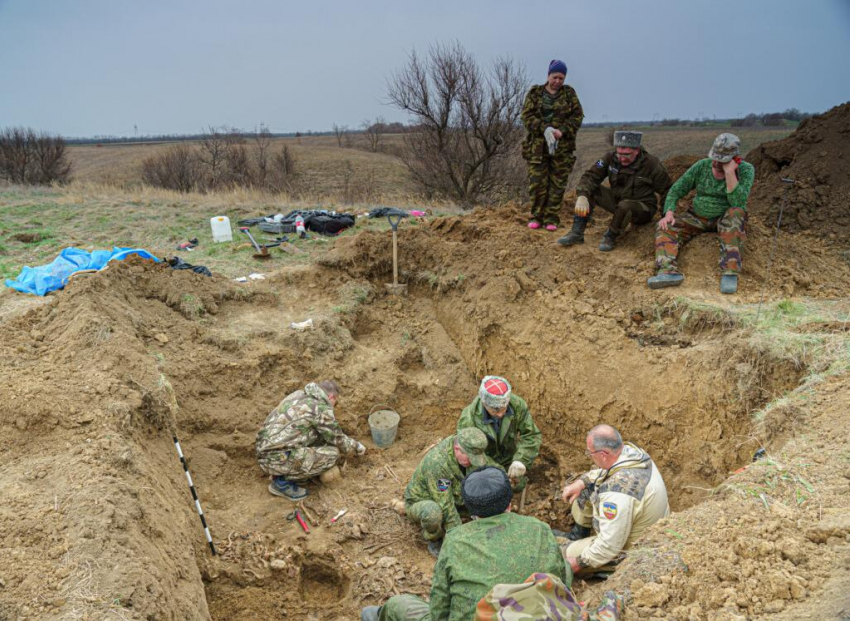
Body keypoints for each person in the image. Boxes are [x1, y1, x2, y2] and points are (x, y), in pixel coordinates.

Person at [362, 466, 569, 621]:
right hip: (540, 613)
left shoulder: (455, 541)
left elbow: (439, 608)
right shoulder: (539, 528)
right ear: (509, 503)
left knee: (399, 605)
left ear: (471, 511)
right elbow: (560, 581)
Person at [647, 133, 755, 294]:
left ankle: (730, 272)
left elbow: (738, 202)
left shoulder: (746, 170)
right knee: (665, 226)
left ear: (734, 158)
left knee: (736, 213)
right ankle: (667, 271)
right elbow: (676, 190)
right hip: (697, 217)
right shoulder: (702, 166)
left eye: (723, 160)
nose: (717, 162)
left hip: (726, 218)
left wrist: (730, 173)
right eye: (715, 157)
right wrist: (669, 212)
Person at [559, 425, 669, 575]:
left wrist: (578, 563)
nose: (589, 456)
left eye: (590, 453)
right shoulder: (634, 454)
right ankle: (577, 536)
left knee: (561, 554)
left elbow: (609, 546)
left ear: (603, 454)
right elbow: (608, 470)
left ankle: (595, 562)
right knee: (586, 489)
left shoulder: (617, 496)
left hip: (632, 551)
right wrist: (581, 482)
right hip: (647, 525)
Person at [558, 131, 671, 252]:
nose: (622, 158)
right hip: (618, 201)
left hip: (643, 209)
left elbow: (668, 191)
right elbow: (590, 177)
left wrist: (666, 216)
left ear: (637, 150)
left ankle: (610, 236)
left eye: (627, 154)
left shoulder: (651, 164)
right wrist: (582, 196)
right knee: (591, 189)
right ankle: (577, 232)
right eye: (619, 153)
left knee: (625, 205)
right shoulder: (610, 158)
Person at [255, 380, 366, 500]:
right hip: (276, 458)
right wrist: (357, 446)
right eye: (335, 402)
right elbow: (337, 439)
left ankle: (296, 472)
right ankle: (281, 482)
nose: (334, 406)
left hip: (264, 449)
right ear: (331, 397)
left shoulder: (297, 395)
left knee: (318, 437)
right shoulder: (320, 407)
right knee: (332, 454)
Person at [400, 428, 500, 557]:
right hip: (423, 501)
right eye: (470, 458)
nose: (471, 462)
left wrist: (506, 479)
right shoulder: (438, 464)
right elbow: (445, 504)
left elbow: (489, 467)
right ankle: (434, 538)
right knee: (432, 513)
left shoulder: (469, 446)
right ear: (457, 449)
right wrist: (460, 539)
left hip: (453, 494)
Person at [521, 59, 584, 232]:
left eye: (561, 78)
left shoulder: (569, 94)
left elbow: (578, 116)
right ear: (548, 75)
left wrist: (561, 131)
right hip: (537, 148)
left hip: (562, 149)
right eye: (555, 77)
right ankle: (536, 217)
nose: (557, 81)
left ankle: (551, 219)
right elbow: (527, 116)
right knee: (537, 185)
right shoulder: (535, 93)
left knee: (557, 185)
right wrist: (545, 129)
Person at [456, 376, 541, 491]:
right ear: (484, 403)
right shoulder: (468, 420)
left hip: (509, 459)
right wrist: (498, 471)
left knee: (518, 486)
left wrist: (521, 460)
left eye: (504, 408)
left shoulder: (517, 406)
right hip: (484, 463)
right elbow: (472, 454)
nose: (501, 414)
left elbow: (531, 435)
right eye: (495, 410)